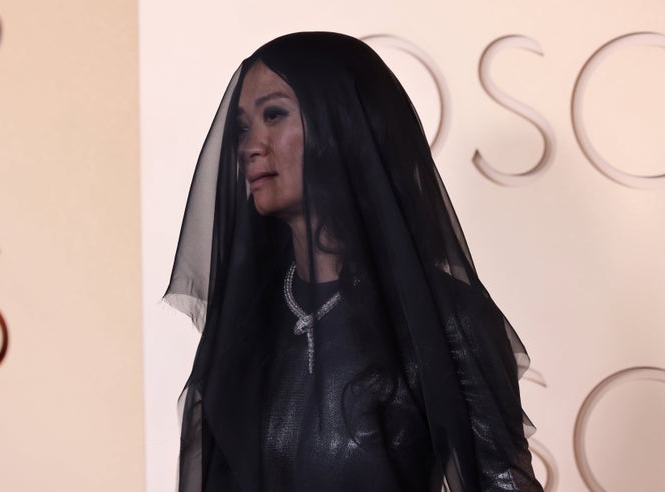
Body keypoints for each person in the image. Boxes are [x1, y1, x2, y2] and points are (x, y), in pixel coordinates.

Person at [165, 32, 542, 491]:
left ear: (341, 124)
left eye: (274, 115)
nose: (249, 146)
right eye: (243, 128)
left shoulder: (444, 320)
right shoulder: (247, 323)